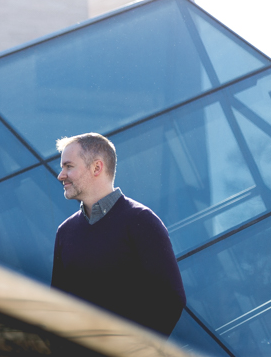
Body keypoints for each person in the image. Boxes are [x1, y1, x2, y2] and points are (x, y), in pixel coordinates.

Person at [51, 133, 185, 341]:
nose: (61, 175)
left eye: (69, 166)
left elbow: (170, 298)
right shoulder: (65, 232)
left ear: (97, 168)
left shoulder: (141, 221)